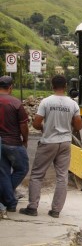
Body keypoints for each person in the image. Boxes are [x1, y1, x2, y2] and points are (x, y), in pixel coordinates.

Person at [19, 75, 82, 218]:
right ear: (65, 86)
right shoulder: (73, 104)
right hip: (65, 143)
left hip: (48, 142)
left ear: (52, 86)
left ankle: (32, 207)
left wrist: (44, 128)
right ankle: (56, 210)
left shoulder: (46, 102)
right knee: (62, 176)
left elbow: (36, 123)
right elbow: (79, 125)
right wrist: (69, 125)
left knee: (37, 175)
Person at [0, 75, 29, 215]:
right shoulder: (16, 103)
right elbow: (24, 125)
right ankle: (7, 198)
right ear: (10, 87)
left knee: (4, 173)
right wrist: (25, 140)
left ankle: (8, 201)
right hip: (12, 142)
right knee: (22, 168)